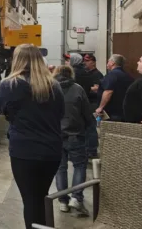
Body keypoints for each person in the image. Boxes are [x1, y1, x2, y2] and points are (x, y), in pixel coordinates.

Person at [0, 44, 64, 229]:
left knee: (31, 201)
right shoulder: (54, 86)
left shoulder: (9, 84)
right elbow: (60, 113)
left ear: (16, 60)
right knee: (41, 197)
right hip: (52, 150)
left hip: (24, 151)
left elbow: (2, 109)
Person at [53, 65, 93, 217]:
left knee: (60, 169)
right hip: (75, 134)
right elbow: (87, 113)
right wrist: (89, 128)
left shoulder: (50, 89)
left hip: (56, 135)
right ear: (71, 74)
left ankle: (63, 201)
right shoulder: (78, 89)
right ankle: (76, 198)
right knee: (79, 166)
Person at [66, 52, 98, 158]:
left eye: (68, 60)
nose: (66, 62)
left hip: (75, 103)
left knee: (75, 127)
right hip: (86, 102)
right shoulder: (86, 72)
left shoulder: (73, 73)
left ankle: (78, 150)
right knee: (89, 125)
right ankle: (91, 149)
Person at [95, 54, 133, 122]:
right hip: (123, 111)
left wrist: (100, 107)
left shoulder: (112, 75)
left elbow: (108, 91)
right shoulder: (128, 76)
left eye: (108, 61)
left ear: (112, 63)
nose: (107, 63)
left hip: (111, 112)